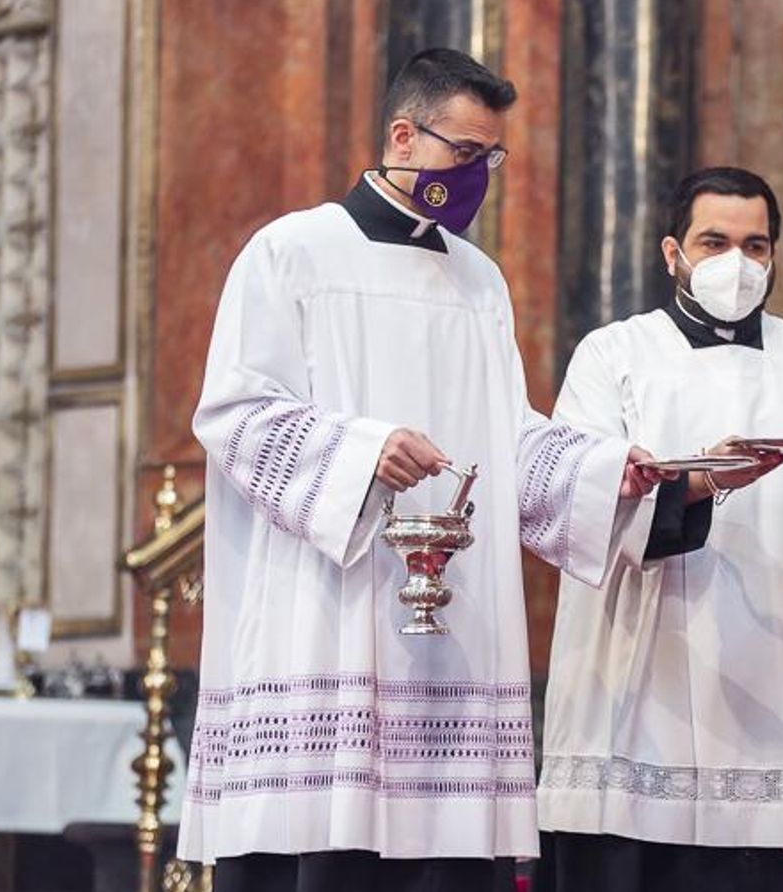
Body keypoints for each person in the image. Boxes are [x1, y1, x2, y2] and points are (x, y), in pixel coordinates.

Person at [180, 49, 666, 892]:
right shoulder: (290, 252)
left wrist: (598, 472)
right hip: (323, 617)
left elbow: (505, 438)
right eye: (464, 151)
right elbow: (236, 415)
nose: (478, 176)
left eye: (492, 158)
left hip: (453, 643)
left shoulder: (479, 282)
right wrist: (362, 451)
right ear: (403, 136)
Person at [532, 167, 783, 892]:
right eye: (715, 242)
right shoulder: (614, 355)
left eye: (755, 246)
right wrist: (703, 481)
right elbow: (577, 499)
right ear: (672, 252)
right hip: (646, 690)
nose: (737, 262)